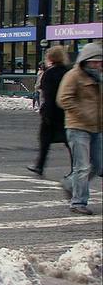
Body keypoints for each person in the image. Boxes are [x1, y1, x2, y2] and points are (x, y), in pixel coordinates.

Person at [57, 42, 102, 216]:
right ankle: (78, 202)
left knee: (98, 166)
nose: (98, 65)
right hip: (78, 127)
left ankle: (70, 183)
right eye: (95, 62)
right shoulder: (74, 76)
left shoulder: (99, 77)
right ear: (86, 61)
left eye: (100, 61)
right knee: (82, 166)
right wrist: (83, 113)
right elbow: (64, 99)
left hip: (97, 127)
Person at [27, 46, 71, 176]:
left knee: (44, 140)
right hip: (66, 112)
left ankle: (40, 165)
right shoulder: (68, 72)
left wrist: (45, 112)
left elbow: (48, 94)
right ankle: (76, 167)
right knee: (70, 142)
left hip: (51, 112)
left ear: (51, 58)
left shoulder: (49, 74)